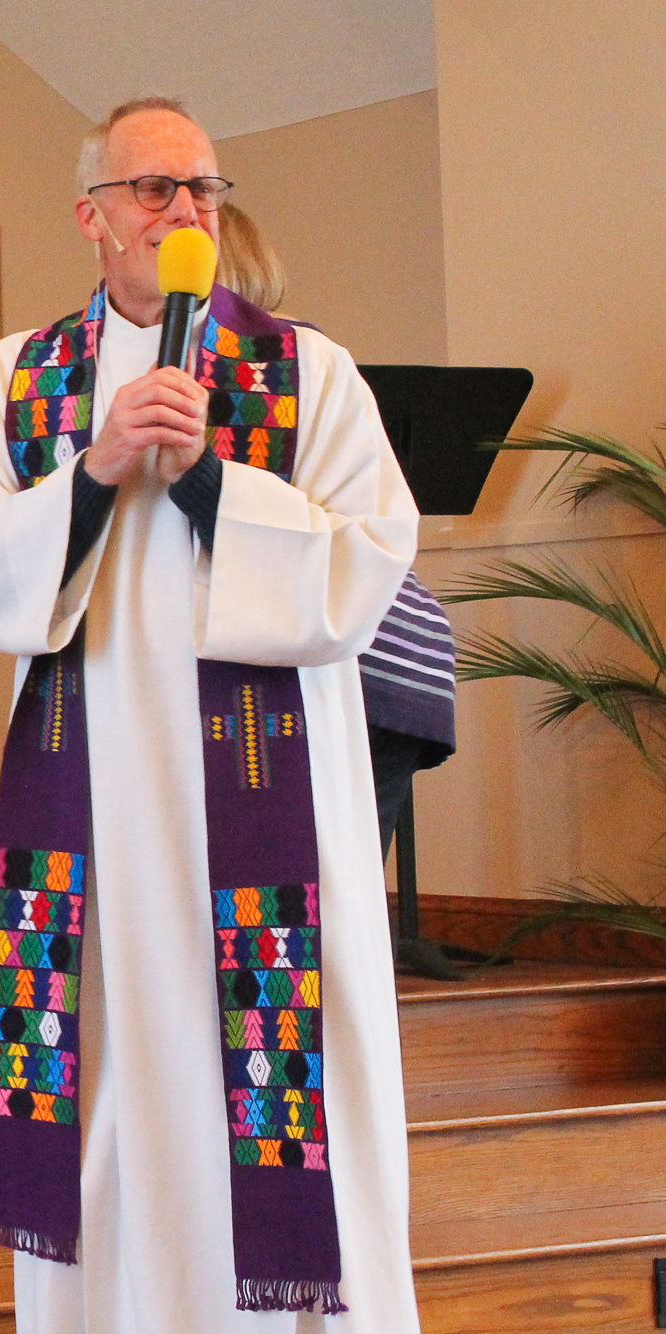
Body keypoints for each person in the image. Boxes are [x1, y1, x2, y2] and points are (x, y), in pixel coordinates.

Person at [0, 98, 424, 1334]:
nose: (185, 211)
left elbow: (372, 562)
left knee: (281, 1092)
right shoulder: (15, 375)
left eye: (202, 188)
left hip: (266, 814)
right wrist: (91, 471)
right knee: (103, 1089)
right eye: (154, 189)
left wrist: (211, 479)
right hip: (88, 806)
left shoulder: (308, 371)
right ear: (90, 215)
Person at [216, 202, 460, 887]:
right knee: (344, 889)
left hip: (360, 655)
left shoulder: (267, 368)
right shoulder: (302, 355)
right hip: (413, 658)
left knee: (312, 889)